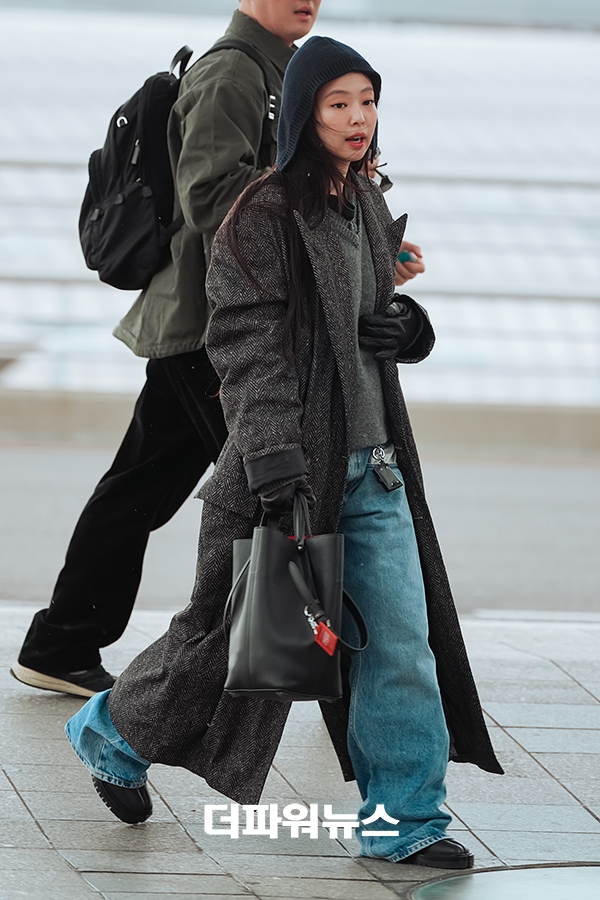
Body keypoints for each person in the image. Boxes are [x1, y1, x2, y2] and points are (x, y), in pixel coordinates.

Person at [63, 37, 502, 867]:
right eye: (338, 103)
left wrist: (411, 330)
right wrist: (273, 465)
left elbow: (369, 319)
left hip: (374, 467)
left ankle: (404, 821)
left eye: (367, 102)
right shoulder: (262, 213)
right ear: (305, 112)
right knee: (227, 647)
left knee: (401, 646)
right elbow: (245, 342)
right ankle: (109, 729)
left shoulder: (364, 203)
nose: (357, 119)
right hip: (285, 471)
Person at [12, 0, 331, 697]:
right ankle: (306, 661)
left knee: (145, 484)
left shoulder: (275, 67)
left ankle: (63, 640)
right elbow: (210, 195)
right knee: (285, 478)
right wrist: (316, 202)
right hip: (210, 327)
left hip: (218, 321)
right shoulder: (234, 72)